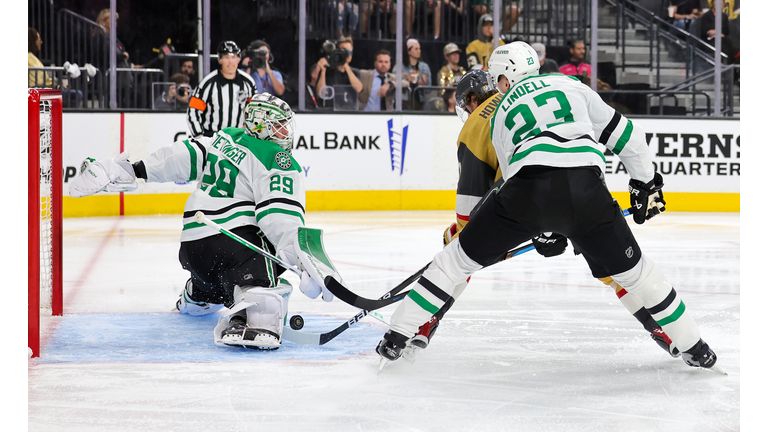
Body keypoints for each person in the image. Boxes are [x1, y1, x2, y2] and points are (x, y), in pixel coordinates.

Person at [377, 42, 718, 373]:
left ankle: (400, 333)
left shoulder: (494, 113)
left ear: (503, 80)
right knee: (638, 275)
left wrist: (540, 228)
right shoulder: (571, 84)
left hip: (529, 192)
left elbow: (508, 185)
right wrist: (646, 183)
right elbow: (628, 135)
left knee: (453, 259)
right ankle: (695, 347)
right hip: (589, 192)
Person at [68, 94, 343, 351]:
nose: (286, 133)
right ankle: (256, 313)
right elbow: (278, 217)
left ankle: (199, 294)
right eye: (280, 127)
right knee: (269, 255)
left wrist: (134, 169)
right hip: (233, 243)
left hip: (192, 248)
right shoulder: (277, 158)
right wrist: (302, 256)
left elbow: (179, 156)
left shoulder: (223, 138)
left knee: (216, 278)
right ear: (262, 126)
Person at [187, 41, 256, 138]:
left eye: (233, 57)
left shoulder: (248, 82)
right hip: (212, 137)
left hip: (239, 138)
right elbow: (193, 111)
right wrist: (199, 136)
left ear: (238, 59)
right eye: (226, 57)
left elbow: (256, 109)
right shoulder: (207, 83)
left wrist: (248, 127)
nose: (230, 62)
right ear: (220, 60)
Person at [28, 27, 84, 108]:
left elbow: (44, 80)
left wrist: (57, 83)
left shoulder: (33, 58)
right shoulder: (28, 58)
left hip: (42, 89)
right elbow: (40, 81)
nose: (41, 41)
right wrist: (56, 83)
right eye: (38, 38)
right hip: (38, 91)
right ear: (32, 41)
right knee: (77, 95)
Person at [315, 36, 363, 107]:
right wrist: (323, 71)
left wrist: (346, 67)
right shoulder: (328, 71)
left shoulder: (355, 72)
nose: (347, 55)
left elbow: (359, 89)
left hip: (350, 112)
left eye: (349, 52)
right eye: (344, 51)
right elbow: (320, 94)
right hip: (330, 111)